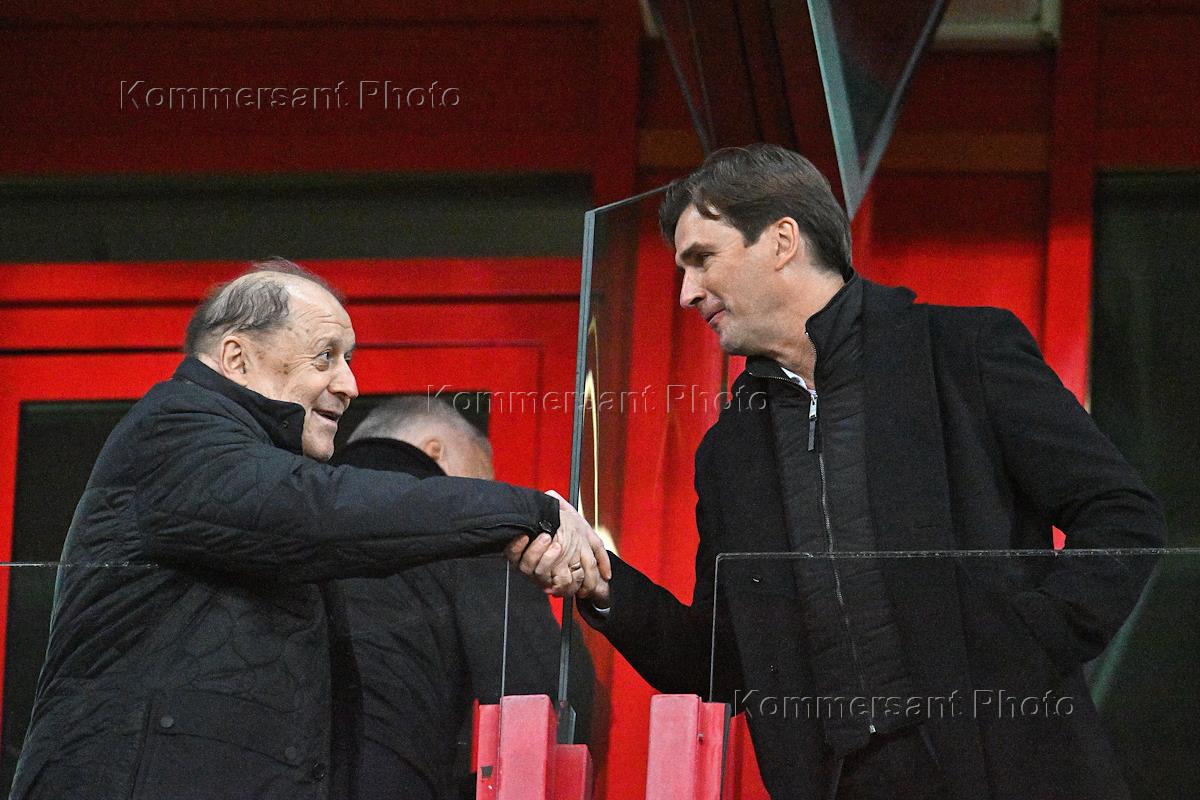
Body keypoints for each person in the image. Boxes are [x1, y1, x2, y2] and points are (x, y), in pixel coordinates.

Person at [566, 145, 1165, 800]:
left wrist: (1027, 644)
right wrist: (600, 581)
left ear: (782, 241)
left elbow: (1121, 514)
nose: (687, 293)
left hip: (1010, 770)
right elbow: (721, 662)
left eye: (702, 258)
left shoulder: (963, 352)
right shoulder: (730, 451)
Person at [10, 259, 607, 800]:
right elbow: (320, 507)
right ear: (236, 359)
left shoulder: (261, 482)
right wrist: (527, 511)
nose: (349, 384)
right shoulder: (176, 429)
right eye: (325, 357)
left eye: (349, 360)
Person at [331, 396, 594, 799]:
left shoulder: (300, 513)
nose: (483, 494)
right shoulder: (462, 523)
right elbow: (541, 689)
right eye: (482, 479)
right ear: (435, 450)